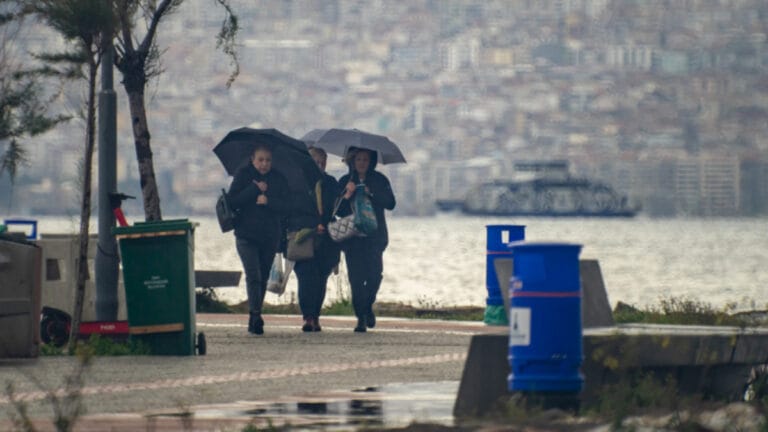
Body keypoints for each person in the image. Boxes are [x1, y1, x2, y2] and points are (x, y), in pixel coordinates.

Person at [228, 143, 291, 335]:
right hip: (246, 235)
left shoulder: (278, 179)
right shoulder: (243, 175)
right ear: (252, 160)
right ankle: (255, 315)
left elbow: (287, 206)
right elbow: (232, 200)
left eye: (268, 160)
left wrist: (268, 200)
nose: (264, 164)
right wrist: (254, 190)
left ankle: (256, 312)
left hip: (269, 236)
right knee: (253, 275)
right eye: (260, 160)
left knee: (263, 276)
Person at [336, 147, 396, 332]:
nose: (362, 162)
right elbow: (337, 211)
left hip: (374, 238)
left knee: (374, 275)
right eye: (359, 159)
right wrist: (347, 195)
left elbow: (391, 203)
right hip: (353, 240)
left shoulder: (379, 180)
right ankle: (360, 317)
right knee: (356, 279)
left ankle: (368, 306)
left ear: (371, 161)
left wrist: (372, 194)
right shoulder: (345, 181)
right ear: (352, 161)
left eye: (365, 159)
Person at [290, 147, 341, 332]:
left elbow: (338, 208)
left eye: (322, 162)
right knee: (305, 277)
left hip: (326, 240)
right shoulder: (298, 184)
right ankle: (308, 316)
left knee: (321, 279)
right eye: (315, 162)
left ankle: (316, 315)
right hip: (304, 237)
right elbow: (293, 212)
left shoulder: (331, 183)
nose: (319, 166)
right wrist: (312, 224)